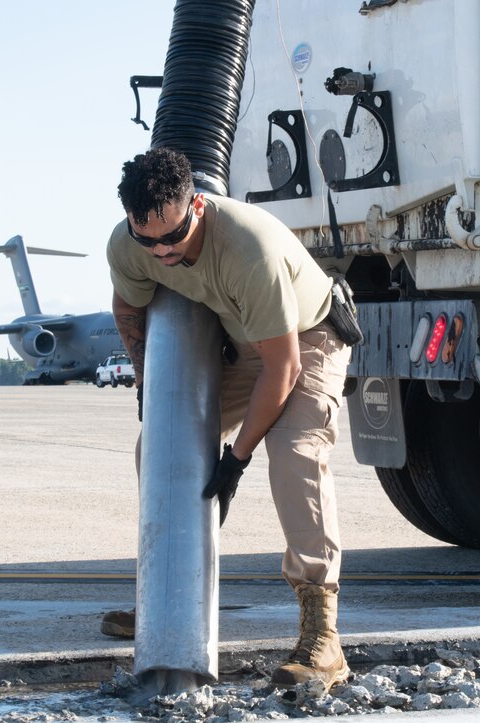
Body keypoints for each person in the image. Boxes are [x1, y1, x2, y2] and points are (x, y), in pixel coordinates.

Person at [100, 147, 352, 688]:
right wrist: (148, 384)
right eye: (149, 240)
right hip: (243, 340)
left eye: (173, 236)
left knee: (294, 456)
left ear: (196, 206)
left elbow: (282, 371)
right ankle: (168, 603)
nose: (162, 251)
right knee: (161, 446)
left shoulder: (246, 249)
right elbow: (128, 309)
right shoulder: (130, 244)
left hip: (306, 340)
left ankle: (322, 636)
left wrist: (234, 461)